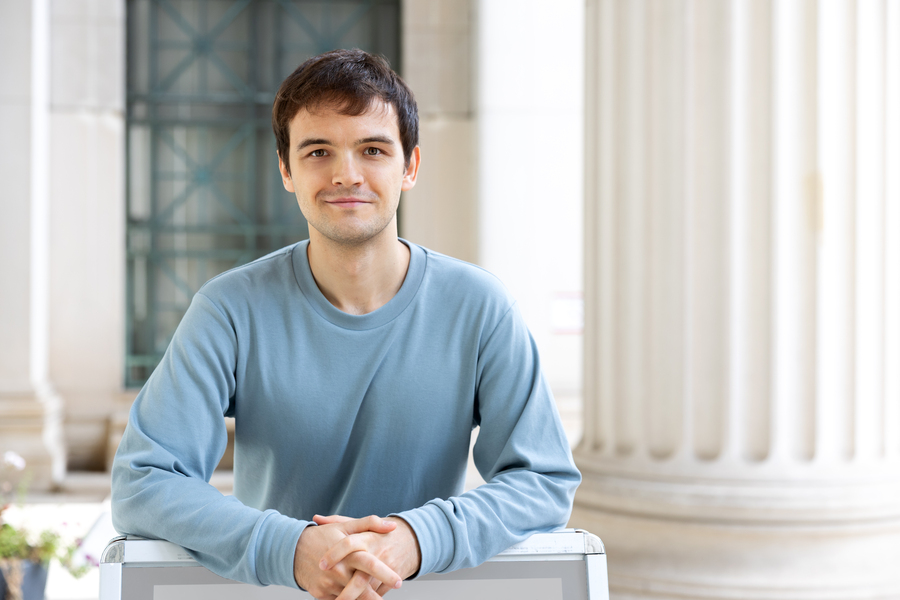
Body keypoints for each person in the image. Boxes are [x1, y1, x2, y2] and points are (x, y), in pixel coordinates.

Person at [111, 48, 580, 600]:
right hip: (276, 591)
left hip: (427, 589)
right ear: (287, 169)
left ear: (410, 166)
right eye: (317, 151)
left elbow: (544, 482)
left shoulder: (480, 307)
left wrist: (417, 538)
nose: (346, 174)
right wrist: (289, 547)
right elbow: (143, 481)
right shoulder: (229, 309)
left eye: (373, 149)